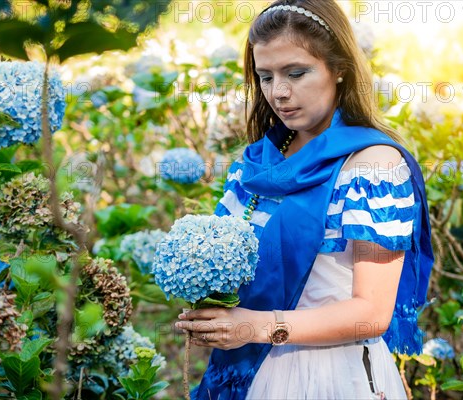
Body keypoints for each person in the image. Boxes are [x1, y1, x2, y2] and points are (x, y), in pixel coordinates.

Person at [174, 1, 434, 398]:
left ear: (340, 68)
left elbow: (373, 313)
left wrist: (257, 326)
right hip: (251, 372)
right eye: (265, 77)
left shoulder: (372, 167)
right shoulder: (259, 162)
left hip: (331, 374)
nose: (278, 92)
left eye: (296, 73)